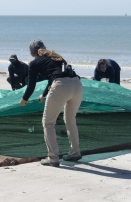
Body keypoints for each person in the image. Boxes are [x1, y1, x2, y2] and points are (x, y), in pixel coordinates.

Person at [19, 39, 83, 167]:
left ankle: (53, 157)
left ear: (32, 53)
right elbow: (54, 76)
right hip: (76, 84)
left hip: (60, 86)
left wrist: (24, 99)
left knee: (48, 122)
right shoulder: (57, 57)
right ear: (44, 48)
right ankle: (75, 152)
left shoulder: (34, 62)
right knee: (70, 120)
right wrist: (44, 94)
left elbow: (31, 85)